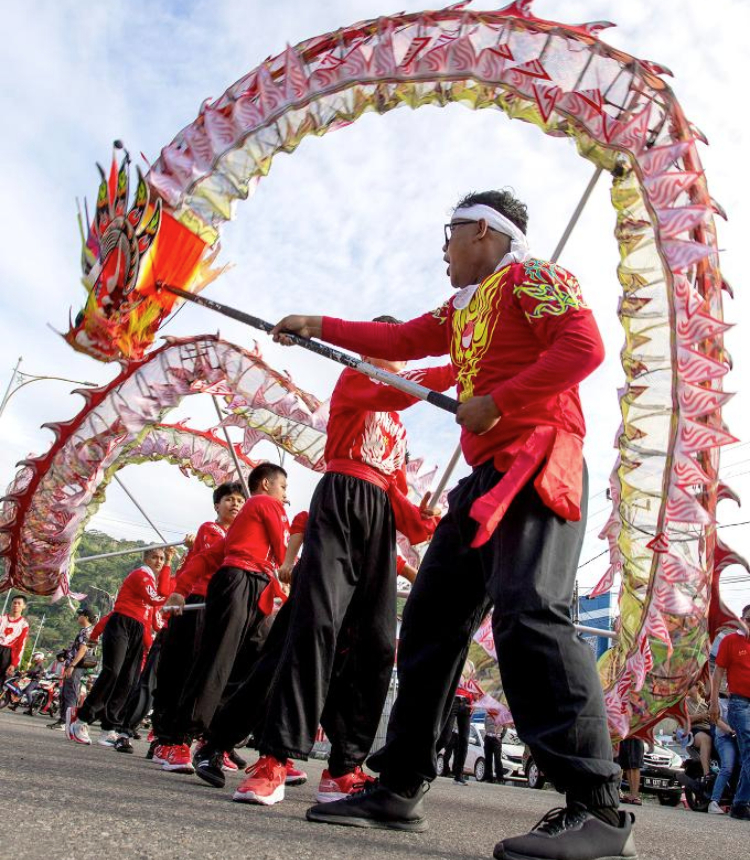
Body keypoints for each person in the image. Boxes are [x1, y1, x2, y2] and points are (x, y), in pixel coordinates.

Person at [276, 189, 635, 860]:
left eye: (449, 233)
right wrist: (318, 324)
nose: (443, 246)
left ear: (481, 231)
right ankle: (400, 785)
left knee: (531, 615)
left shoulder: (534, 278)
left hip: (538, 460)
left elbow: (584, 347)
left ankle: (599, 810)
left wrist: (500, 399)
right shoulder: (465, 308)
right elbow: (401, 338)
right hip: (485, 479)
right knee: (432, 627)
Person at [191, 332, 450, 807]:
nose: (397, 358)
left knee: (373, 642)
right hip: (339, 501)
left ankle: (343, 767)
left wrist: (420, 519)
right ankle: (272, 759)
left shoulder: (397, 426)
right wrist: (466, 367)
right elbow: (402, 387)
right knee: (313, 633)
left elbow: (394, 489)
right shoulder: (357, 380)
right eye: (396, 349)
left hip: (378, 519)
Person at [160, 463, 291, 772]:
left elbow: (208, 557)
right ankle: (180, 740)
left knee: (256, 663)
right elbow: (285, 551)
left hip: (258, 590)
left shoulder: (244, 525)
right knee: (217, 659)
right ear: (264, 485)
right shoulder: (264, 503)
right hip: (239, 581)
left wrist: (179, 589)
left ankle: (217, 739)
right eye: (283, 487)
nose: (285, 496)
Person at [149, 481, 246, 768]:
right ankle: (167, 741)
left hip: (222, 606)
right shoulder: (210, 530)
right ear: (217, 505)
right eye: (229, 499)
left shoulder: (242, 535)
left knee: (215, 673)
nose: (236, 504)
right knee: (182, 670)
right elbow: (221, 562)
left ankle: (210, 740)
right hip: (196, 603)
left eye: (241, 500)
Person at [66, 547, 175, 745]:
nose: (159, 561)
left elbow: (156, 615)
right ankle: (81, 719)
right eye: (155, 557)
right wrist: (169, 565)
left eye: (162, 558)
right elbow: (159, 596)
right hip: (121, 624)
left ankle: (109, 727)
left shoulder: (153, 581)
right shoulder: (140, 575)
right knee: (112, 672)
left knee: (128, 680)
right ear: (145, 558)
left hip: (137, 629)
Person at [710, 604, 750, 820]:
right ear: (741, 620)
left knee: (747, 758)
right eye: (749, 619)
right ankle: (739, 803)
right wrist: (714, 703)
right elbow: (717, 674)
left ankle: (740, 804)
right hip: (739, 704)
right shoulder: (730, 641)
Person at [708, 689, 738, 814]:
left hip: (741, 737)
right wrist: (731, 731)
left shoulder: (740, 702)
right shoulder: (717, 701)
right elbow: (716, 720)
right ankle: (714, 802)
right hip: (724, 738)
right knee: (727, 767)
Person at [0, 594, 30, 678]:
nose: (16, 605)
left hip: (7, 654)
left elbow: (21, 645)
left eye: (19, 603)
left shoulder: (24, 625)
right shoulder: (2, 619)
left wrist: (14, 664)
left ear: (23, 606)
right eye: (14, 603)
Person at [616, 738, 645, 806]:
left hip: (635, 735)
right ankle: (629, 794)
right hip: (624, 735)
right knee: (624, 765)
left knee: (634, 764)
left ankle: (634, 796)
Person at [482, 709, 507, 784]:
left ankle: (500, 778)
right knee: (488, 758)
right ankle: (488, 778)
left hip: (496, 739)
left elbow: (505, 727)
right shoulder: (487, 716)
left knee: (497, 758)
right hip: (488, 738)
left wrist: (501, 736)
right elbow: (485, 725)